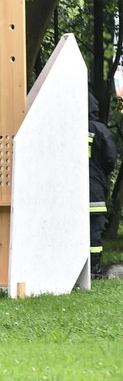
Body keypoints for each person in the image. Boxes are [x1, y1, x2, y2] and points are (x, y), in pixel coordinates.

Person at [88, 92, 117, 279]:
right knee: (94, 230)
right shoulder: (100, 130)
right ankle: (94, 268)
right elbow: (110, 159)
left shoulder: (66, 127)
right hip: (95, 190)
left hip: (70, 190)